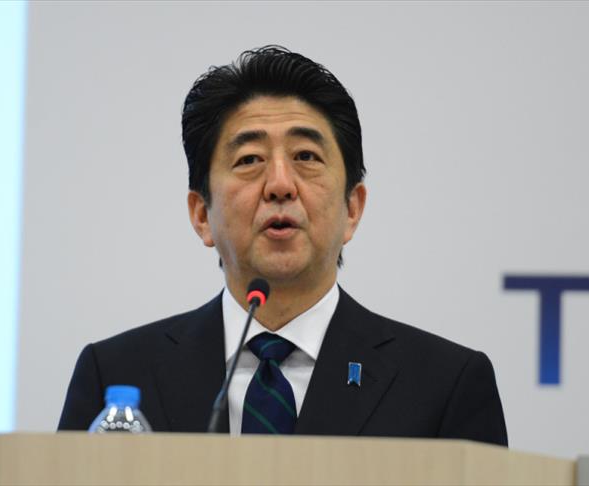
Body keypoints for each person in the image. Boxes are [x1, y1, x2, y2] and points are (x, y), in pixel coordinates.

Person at [58, 46, 507, 445]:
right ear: (201, 215)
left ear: (352, 208)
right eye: (249, 159)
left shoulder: (444, 384)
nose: (279, 184)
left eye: (306, 157)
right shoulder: (115, 373)